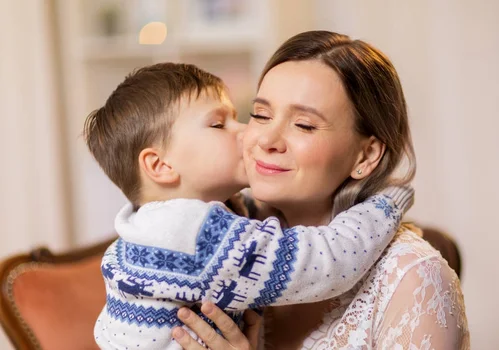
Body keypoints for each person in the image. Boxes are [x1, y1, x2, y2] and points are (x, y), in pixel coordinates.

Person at [171, 31, 470, 349]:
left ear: (366, 156)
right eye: (261, 115)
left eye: (304, 125)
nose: (267, 140)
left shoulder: (414, 278)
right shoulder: (224, 248)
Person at [83, 62, 415, 349]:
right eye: (218, 124)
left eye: (245, 116)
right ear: (160, 166)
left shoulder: (152, 226)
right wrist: (385, 203)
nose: (247, 132)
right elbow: (332, 259)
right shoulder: (200, 238)